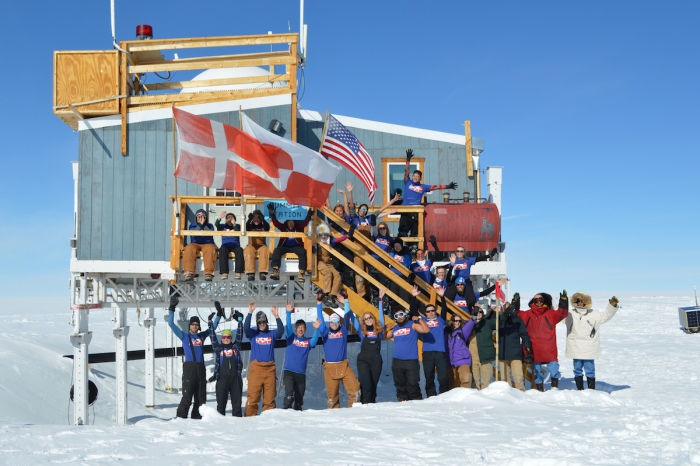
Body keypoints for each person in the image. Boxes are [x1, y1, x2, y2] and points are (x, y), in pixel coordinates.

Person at [167, 296, 221, 419]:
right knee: (187, 397)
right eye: (192, 324)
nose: (195, 326)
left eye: (197, 324)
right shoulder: (184, 336)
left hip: (200, 369)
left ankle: (197, 418)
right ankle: (180, 418)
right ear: (189, 325)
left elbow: (213, 327)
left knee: (201, 398)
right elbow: (170, 323)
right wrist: (172, 308)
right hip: (190, 369)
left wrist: (219, 314)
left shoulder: (202, 336)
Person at [398, 148, 457, 238]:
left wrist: (448, 186)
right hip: (405, 210)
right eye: (414, 175)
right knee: (402, 232)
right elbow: (406, 171)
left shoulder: (423, 187)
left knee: (415, 233)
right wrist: (408, 160)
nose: (415, 177)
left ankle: (413, 247)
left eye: (418, 176)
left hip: (415, 211)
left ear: (420, 178)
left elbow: (435, 187)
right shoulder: (407, 181)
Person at [566, 293, 620, 390]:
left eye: (582, 301)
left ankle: (591, 390)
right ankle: (580, 389)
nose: (580, 303)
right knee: (577, 369)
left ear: (586, 302)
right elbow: (558, 315)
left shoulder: (594, 314)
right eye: (578, 301)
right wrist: (554, 302)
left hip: (589, 347)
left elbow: (606, 315)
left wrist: (612, 306)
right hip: (575, 346)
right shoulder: (570, 313)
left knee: (589, 369)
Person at [517, 291, 569, 391]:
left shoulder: (550, 313)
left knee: (554, 368)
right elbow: (516, 314)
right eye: (536, 299)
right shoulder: (527, 314)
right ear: (533, 301)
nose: (539, 302)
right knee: (537, 371)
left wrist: (563, 301)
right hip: (533, 347)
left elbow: (562, 313)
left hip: (548, 346)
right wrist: (516, 302)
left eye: (541, 299)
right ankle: (540, 390)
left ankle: (555, 389)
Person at [317, 292, 361, 408]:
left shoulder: (343, 331)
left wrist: (346, 301)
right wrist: (319, 303)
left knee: (355, 390)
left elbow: (346, 316)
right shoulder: (325, 332)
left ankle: (354, 412)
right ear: (329, 323)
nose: (335, 324)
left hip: (344, 365)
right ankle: (334, 419)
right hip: (330, 367)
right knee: (332, 398)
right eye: (332, 322)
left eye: (336, 321)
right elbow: (319, 318)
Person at [385, 285, 430, 401]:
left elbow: (426, 330)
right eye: (397, 316)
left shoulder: (412, 324)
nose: (399, 317)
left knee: (413, 385)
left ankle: (417, 404)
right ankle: (402, 405)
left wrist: (419, 318)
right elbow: (383, 337)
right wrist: (385, 328)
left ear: (405, 315)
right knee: (400, 386)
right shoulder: (394, 328)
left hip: (411, 361)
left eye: (401, 315)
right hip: (397, 362)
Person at [347, 287, 387, 404]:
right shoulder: (361, 331)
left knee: (373, 387)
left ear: (373, 319)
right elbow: (352, 317)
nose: (368, 320)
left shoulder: (379, 330)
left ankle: (371, 408)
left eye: (370, 317)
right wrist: (346, 303)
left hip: (376, 360)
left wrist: (380, 299)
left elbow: (381, 316)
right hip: (363, 360)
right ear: (363, 322)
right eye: (365, 319)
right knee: (366, 384)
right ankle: (363, 405)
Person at [243, 302, 284, 416]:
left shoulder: (271, 334)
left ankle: (268, 424)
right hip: (256, 369)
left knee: (269, 400)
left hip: (270, 369)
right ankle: (249, 420)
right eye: (259, 322)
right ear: (257, 323)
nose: (262, 324)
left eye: (264, 321)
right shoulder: (253, 334)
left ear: (267, 322)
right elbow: (246, 328)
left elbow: (280, 332)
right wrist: (250, 313)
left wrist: (277, 316)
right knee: (253, 398)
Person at [282, 301, 321, 410]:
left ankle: (297, 422)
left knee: (299, 401)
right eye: (298, 327)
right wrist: (288, 313)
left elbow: (314, 341)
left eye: (303, 327)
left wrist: (316, 329)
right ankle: (284, 415)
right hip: (289, 371)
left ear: (305, 329)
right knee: (289, 395)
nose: (300, 329)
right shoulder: (291, 338)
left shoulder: (307, 342)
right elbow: (288, 327)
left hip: (301, 374)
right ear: (296, 329)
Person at [438, 287, 477, 389]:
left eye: (459, 321)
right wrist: (442, 298)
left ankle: (466, 396)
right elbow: (441, 320)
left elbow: (471, 322)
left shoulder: (462, 332)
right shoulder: (446, 331)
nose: (457, 322)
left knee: (466, 378)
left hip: (462, 359)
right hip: (449, 360)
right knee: (451, 381)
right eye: (455, 320)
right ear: (452, 321)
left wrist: (475, 313)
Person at [210, 305, 244, 416]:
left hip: (235, 379)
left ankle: (238, 426)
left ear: (231, 338)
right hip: (222, 379)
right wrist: (210, 322)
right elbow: (212, 336)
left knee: (237, 406)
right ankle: (221, 427)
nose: (225, 339)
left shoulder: (235, 347)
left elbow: (240, 334)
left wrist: (240, 321)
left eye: (227, 337)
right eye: (223, 337)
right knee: (221, 406)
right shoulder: (218, 348)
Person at [497, 294, 533, 392]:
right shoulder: (499, 320)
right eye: (506, 308)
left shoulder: (517, 320)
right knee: (504, 379)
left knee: (518, 377)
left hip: (515, 354)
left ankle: (521, 393)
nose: (507, 310)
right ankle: (507, 394)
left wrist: (527, 347)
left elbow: (524, 335)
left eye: (509, 308)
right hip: (503, 354)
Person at [268, 204, 312, 284]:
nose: (291, 224)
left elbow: (304, 223)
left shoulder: (297, 228)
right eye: (289, 222)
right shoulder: (283, 228)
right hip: (284, 247)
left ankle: (301, 272)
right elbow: (276, 224)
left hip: (296, 247)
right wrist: (272, 215)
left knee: (302, 251)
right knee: (277, 250)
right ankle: (276, 269)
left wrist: (308, 216)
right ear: (287, 223)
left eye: (292, 222)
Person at [316, 222, 354, 308]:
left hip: (328, 262)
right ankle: (325, 293)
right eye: (321, 234)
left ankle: (332, 295)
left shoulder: (329, 241)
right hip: (320, 262)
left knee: (337, 276)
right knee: (328, 273)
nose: (323, 236)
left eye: (325, 234)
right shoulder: (317, 242)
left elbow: (338, 240)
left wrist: (348, 235)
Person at [420, 293, 448, 397]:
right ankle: (431, 397)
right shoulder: (422, 320)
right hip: (427, 352)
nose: (431, 313)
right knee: (429, 376)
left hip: (440, 352)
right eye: (428, 311)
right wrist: (413, 297)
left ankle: (444, 396)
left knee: (443, 377)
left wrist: (442, 296)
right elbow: (413, 312)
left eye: (432, 310)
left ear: (435, 311)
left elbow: (445, 309)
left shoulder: (440, 320)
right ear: (425, 313)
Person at [470, 305, 501, 390]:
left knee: (486, 382)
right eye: (476, 312)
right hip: (473, 358)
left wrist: (499, 313)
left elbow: (499, 322)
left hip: (486, 357)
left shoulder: (487, 322)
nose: (478, 314)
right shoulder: (469, 324)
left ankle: (486, 399)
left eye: (480, 312)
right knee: (474, 382)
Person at [182, 209, 217, 281]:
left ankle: (209, 273)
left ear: (205, 217)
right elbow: (193, 233)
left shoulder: (210, 226)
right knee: (189, 248)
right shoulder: (192, 225)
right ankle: (189, 272)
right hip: (195, 243)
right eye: (198, 216)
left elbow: (210, 233)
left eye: (202, 216)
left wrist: (203, 224)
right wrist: (200, 225)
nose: (200, 218)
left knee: (210, 249)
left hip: (207, 243)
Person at [215, 211, 244, 280]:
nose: (230, 220)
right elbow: (217, 225)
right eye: (228, 218)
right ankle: (224, 272)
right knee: (222, 250)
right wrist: (219, 218)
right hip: (225, 245)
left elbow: (237, 229)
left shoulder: (237, 226)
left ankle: (238, 272)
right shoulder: (223, 226)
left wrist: (234, 224)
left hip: (235, 245)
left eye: (231, 218)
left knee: (240, 250)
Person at [244, 209, 270, 281]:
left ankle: (262, 272)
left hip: (261, 245)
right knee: (248, 250)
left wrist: (263, 220)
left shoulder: (263, 226)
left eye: (258, 217)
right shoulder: (250, 226)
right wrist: (249, 220)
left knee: (265, 250)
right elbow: (245, 228)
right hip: (252, 245)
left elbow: (267, 228)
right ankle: (250, 273)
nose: (256, 219)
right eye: (254, 217)